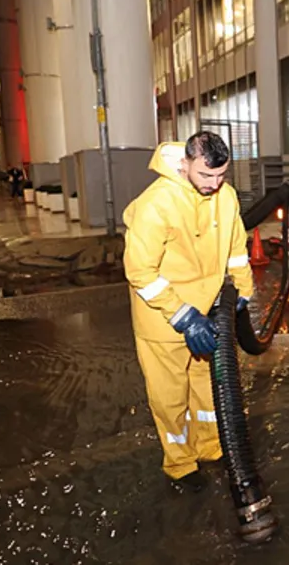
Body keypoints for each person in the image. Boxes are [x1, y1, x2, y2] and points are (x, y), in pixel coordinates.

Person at [123, 131, 254, 492]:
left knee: (207, 389)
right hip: (163, 321)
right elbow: (139, 271)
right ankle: (180, 464)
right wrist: (183, 316)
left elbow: (236, 249)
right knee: (170, 398)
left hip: (208, 312)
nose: (214, 184)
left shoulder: (225, 197)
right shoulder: (156, 204)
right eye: (206, 175)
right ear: (184, 164)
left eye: (221, 175)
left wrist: (243, 290)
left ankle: (210, 447)